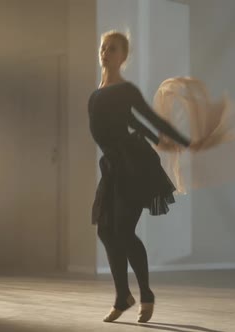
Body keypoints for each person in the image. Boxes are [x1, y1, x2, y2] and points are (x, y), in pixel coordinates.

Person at [88, 30, 191, 323]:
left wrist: (178, 139)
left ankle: (146, 294)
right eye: (103, 47)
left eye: (112, 48)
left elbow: (149, 117)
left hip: (134, 165)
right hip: (112, 166)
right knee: (105, 231)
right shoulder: (96, 94)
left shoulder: (127, 90)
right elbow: (131, 121)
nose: (105, 52)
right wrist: (155, 139)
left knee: (123, 230)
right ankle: (123, 296)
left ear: (123, 57)